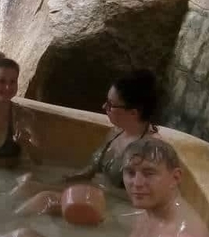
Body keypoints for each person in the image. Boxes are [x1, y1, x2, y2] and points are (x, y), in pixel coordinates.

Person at [13, 69, 161, 215]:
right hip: (95, 192)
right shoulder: (116, 132)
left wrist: (101, 190)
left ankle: (12, 221)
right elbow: (91, 170)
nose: (104, 107)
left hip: (117, 208)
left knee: (44, 199)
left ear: (134, 112)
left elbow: (149, 198)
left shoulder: (150, 149)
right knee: (27, 186)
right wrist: (65, 180)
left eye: (111, 105)